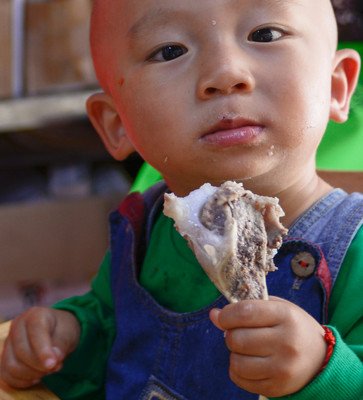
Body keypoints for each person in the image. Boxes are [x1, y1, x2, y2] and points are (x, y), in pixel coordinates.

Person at [1, 1, 362, 399]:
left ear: (336, 87)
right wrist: (67, 338)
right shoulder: (145, 229)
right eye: (169, 50)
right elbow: (115, 337)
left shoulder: (356, 252)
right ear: (117, 124)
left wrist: (323, 370)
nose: (225, 74)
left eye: (266, 34)